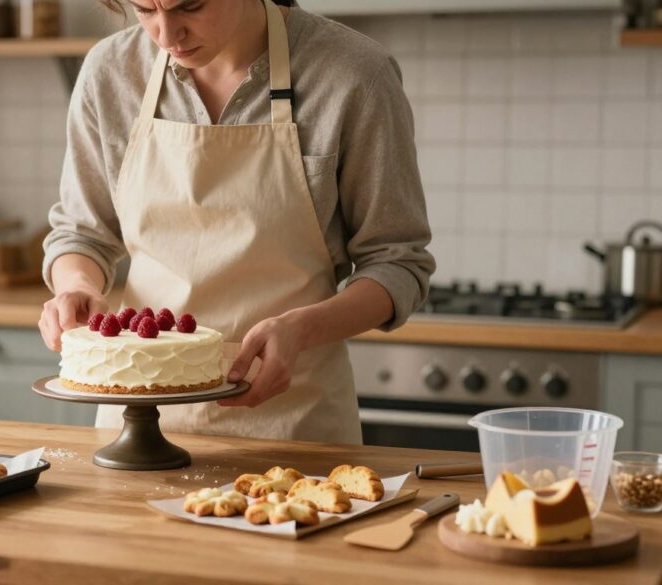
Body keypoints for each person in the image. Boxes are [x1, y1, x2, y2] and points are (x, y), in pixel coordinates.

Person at [38, 0, 435, 443]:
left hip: (294, 427)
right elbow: (82, 232)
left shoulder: (353, 75)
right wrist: (77, 285)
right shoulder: (110, 71)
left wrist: (302, 329)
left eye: (191, 6)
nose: (167, 36)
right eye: (144, 9)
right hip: (138, 431)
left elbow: (397, 263)